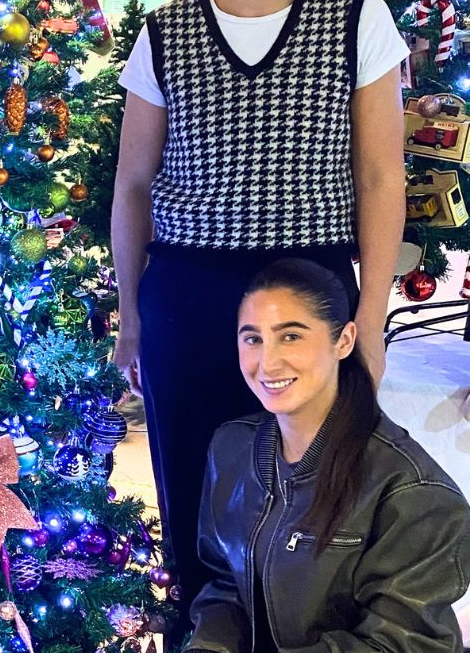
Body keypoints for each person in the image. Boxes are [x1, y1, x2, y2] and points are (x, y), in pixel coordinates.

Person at [109, 0, 408, 632]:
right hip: (190, 292)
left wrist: (370, 319)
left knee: (314, 495)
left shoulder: (356, 17)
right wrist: (133, 317)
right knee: (195, 494)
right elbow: (133, 182)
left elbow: (381, 176)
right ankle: (198, 636)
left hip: (310, 290)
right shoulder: (163, 34)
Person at [189, 258, 470, 653]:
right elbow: (224, 586)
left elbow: (401, 645)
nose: (267, 363)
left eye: (291, 337)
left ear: (345, 340)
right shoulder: (231, 446)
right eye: (253, 339)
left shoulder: (414, 493)